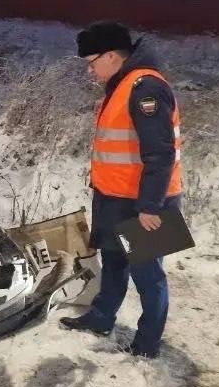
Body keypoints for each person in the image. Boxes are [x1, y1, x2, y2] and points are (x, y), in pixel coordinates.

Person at [61, 21, 183, 358]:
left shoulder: (146, 89)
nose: (89, 70)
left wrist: (150, 206)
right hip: (116, 198)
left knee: (149, 275)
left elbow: (160, 153)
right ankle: (101, 318)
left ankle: (147, 344)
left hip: (144, 202)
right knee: (114, 261)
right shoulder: (123, 85)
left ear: (112, 56)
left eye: (92, 61)